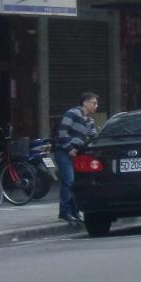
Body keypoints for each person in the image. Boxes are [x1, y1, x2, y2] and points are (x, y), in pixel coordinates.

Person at [55, 91, 99, 223]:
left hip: (77, 154)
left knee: (75, 183)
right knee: (68, 180)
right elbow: (62, 132)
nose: (96, 106)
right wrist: (69, 149)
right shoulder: (72, 113)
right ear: (85, 102)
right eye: (94, 103)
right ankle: (64, 212)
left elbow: (93, 136)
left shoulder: (90, 121)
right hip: (63, 152)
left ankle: (75, 212)